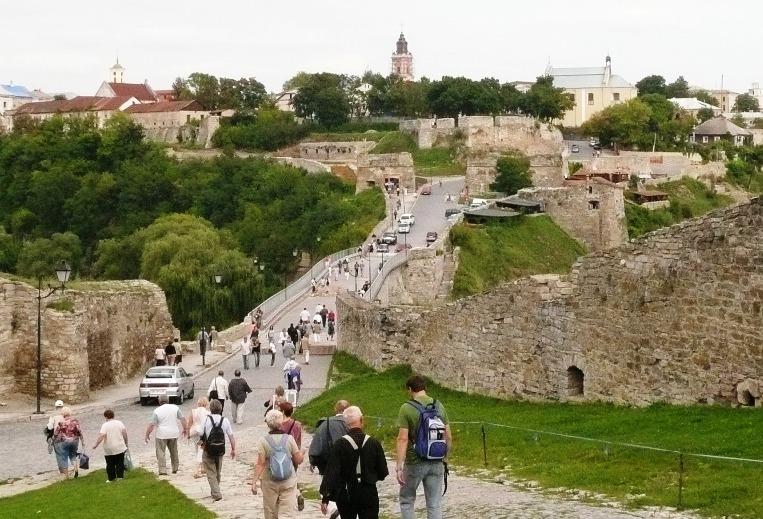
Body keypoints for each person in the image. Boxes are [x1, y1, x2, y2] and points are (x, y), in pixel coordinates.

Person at [396, 375, 452, 519]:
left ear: (410, 389)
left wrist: (399, 466)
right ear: (425, 388)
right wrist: (445, 458)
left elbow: (403, 439)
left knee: (407, 500)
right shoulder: (438, 405)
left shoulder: (406, 408)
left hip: (415, 461)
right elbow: (448, 435)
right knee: (434, 503)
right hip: (436, 461)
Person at [320, 406, 389, 519]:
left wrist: (325, 497)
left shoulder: (339, 444)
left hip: (346, 492)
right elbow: (383, 472)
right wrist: (372, 476)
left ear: (346, 424)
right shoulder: (374, 443)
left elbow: (331, 472)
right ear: (362, 420)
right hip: (368, 491)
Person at [252, 409, 304, 518]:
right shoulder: (289, 439)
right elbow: (298, 460)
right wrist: (302, 452)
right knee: (286, 513)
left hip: (269, 481)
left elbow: (260, 463)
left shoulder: (263, 441)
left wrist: (254, 481)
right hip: (288, 480)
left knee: (270, 511)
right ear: (281, 423)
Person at [200, 399, 236, 501]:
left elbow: (200, 432)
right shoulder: (225, 420)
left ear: (210, 408)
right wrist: (233, 449)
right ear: (221, 408)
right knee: (217, 471)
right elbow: (231, 436)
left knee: (211, 472)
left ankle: (216, 493)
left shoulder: (206, 419)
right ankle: (215, 489)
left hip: (208, 448)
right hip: (220, 448)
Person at [145, 394, 187, 476]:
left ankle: (162, 470)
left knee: (160, 452)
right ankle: (175, 468)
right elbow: (183, 419)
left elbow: (152, 424)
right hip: (173, 433)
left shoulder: (157, 410)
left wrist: (147, 434)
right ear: (168, 400)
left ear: (159, 401)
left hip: (161, 434)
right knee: (174, 451)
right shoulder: (175, 408)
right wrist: (185, 429)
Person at [309, 400, 350, 475]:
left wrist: (313, 461)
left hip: (327, 467)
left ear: (335, 409)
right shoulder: (351, 423)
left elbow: (317, 443)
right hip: (347, 466)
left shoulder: (324, 424)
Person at [279, 401, 305, 511]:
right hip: (294, 454)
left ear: (283, 411)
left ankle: (288, 497)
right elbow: (298, 441)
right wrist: (298, 453)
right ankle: (297, 494)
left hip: (282, 455)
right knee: (292, 476)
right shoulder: (297, 424)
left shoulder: (279, 425)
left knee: (281, 478)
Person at [92, 409, 128, 482]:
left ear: (106, 417)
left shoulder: (105, 425)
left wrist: (96, 444)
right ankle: (120, 477)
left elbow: (102, 435)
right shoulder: (119, 423)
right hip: (119, 446)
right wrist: (126, 442)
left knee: (110, 463)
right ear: (113, 415)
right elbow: (124, 433)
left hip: (109, 448)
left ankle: (111, 478)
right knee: (119, 462)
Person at [52, 407, 83, 479]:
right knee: (73, 456)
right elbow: (79, 432)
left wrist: (53, 440)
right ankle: (76, 470)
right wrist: (82, 442)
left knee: (63, 457)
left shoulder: (61, 423)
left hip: (64, 441)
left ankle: (66, 476)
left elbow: (56, 433)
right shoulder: (75, 421)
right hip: (74, 441)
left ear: (62, 414)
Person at [187, 397, 210, 478]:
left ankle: (202, 468)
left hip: (195, 433)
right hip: (203, 434)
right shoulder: (208, 413)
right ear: (206, 404)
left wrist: (188, 434)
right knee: (202, 450)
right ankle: (198, 470)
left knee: (198, 450)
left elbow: (189, 423)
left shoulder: (193, 411)